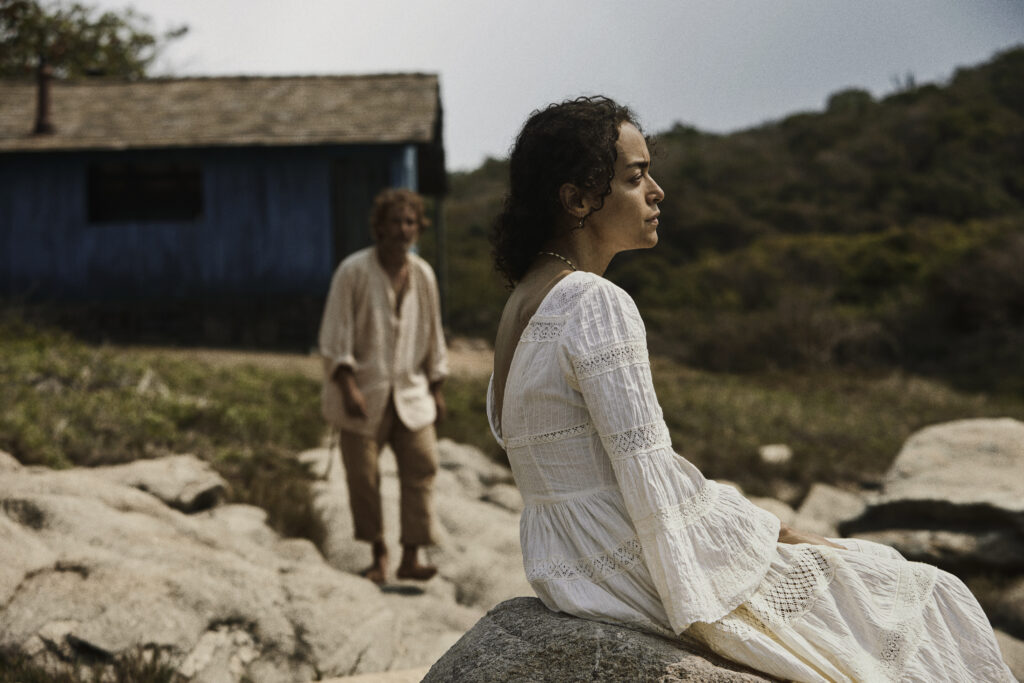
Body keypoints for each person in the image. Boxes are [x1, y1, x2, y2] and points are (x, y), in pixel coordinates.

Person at [487, 96, 1013, 682]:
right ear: (577, 199)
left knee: (864, 573)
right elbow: (648, 472)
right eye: (636, 178)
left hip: (568, 565)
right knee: (923, 588)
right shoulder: (593, 300)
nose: (657, 191)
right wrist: (773, 535)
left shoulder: (522, 303)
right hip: (621, 563)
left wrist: (762, 527)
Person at [319, 187, 447, 585]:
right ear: (379, 227)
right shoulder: (353, 271)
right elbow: (334, 336)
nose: (403, 230)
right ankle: (378, 553)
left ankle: (411, 554)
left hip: (410, 392)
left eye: (410, 222)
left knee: (421, 466)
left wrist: (436, 387)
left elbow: (433, 337)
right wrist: (348, 386)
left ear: (418, 228)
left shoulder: (423, 274)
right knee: (364, 477)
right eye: (395, 221)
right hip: (362, 394)